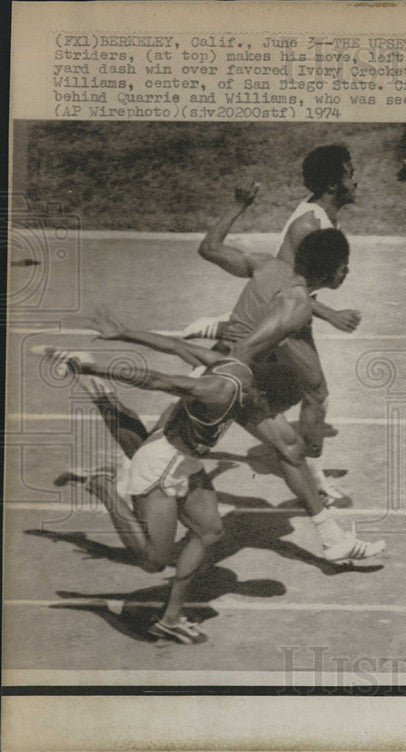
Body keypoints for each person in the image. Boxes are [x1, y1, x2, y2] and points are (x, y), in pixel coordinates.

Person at [190, 180, 384, 563]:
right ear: (331, 276)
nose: (348, 272)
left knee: (290, 442)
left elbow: (209, 248)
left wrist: (239, 205)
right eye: (345, 268)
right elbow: (259, 354)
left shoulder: (269, 265)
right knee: (163, 468)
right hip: (227, 380)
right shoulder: (295, 309)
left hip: (229, 372)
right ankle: (100, 390)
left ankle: (333, 540)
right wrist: (222, 369)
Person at [42, 309, 263, 644]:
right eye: (267, 401)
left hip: (183, 458)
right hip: (160, 463)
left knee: (210, 530)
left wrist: (124, 330)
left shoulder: (237, 370)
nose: (268, 409)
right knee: (154, 561)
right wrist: (91, 366)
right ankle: (102, 486)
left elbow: (177, 346)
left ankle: (171, 618)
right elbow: (156, 380)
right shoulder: (216, 391)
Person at [185, 147, 362, 504]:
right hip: (284, 316)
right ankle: (315, 479)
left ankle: (223, 340)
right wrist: (332, 315)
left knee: (294, 390)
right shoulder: (308, 226)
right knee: (315, 393)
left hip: (288, 310)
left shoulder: (325, 216)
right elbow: (284, 283)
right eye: (349, 174)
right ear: (332, 184)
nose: (355, 180)